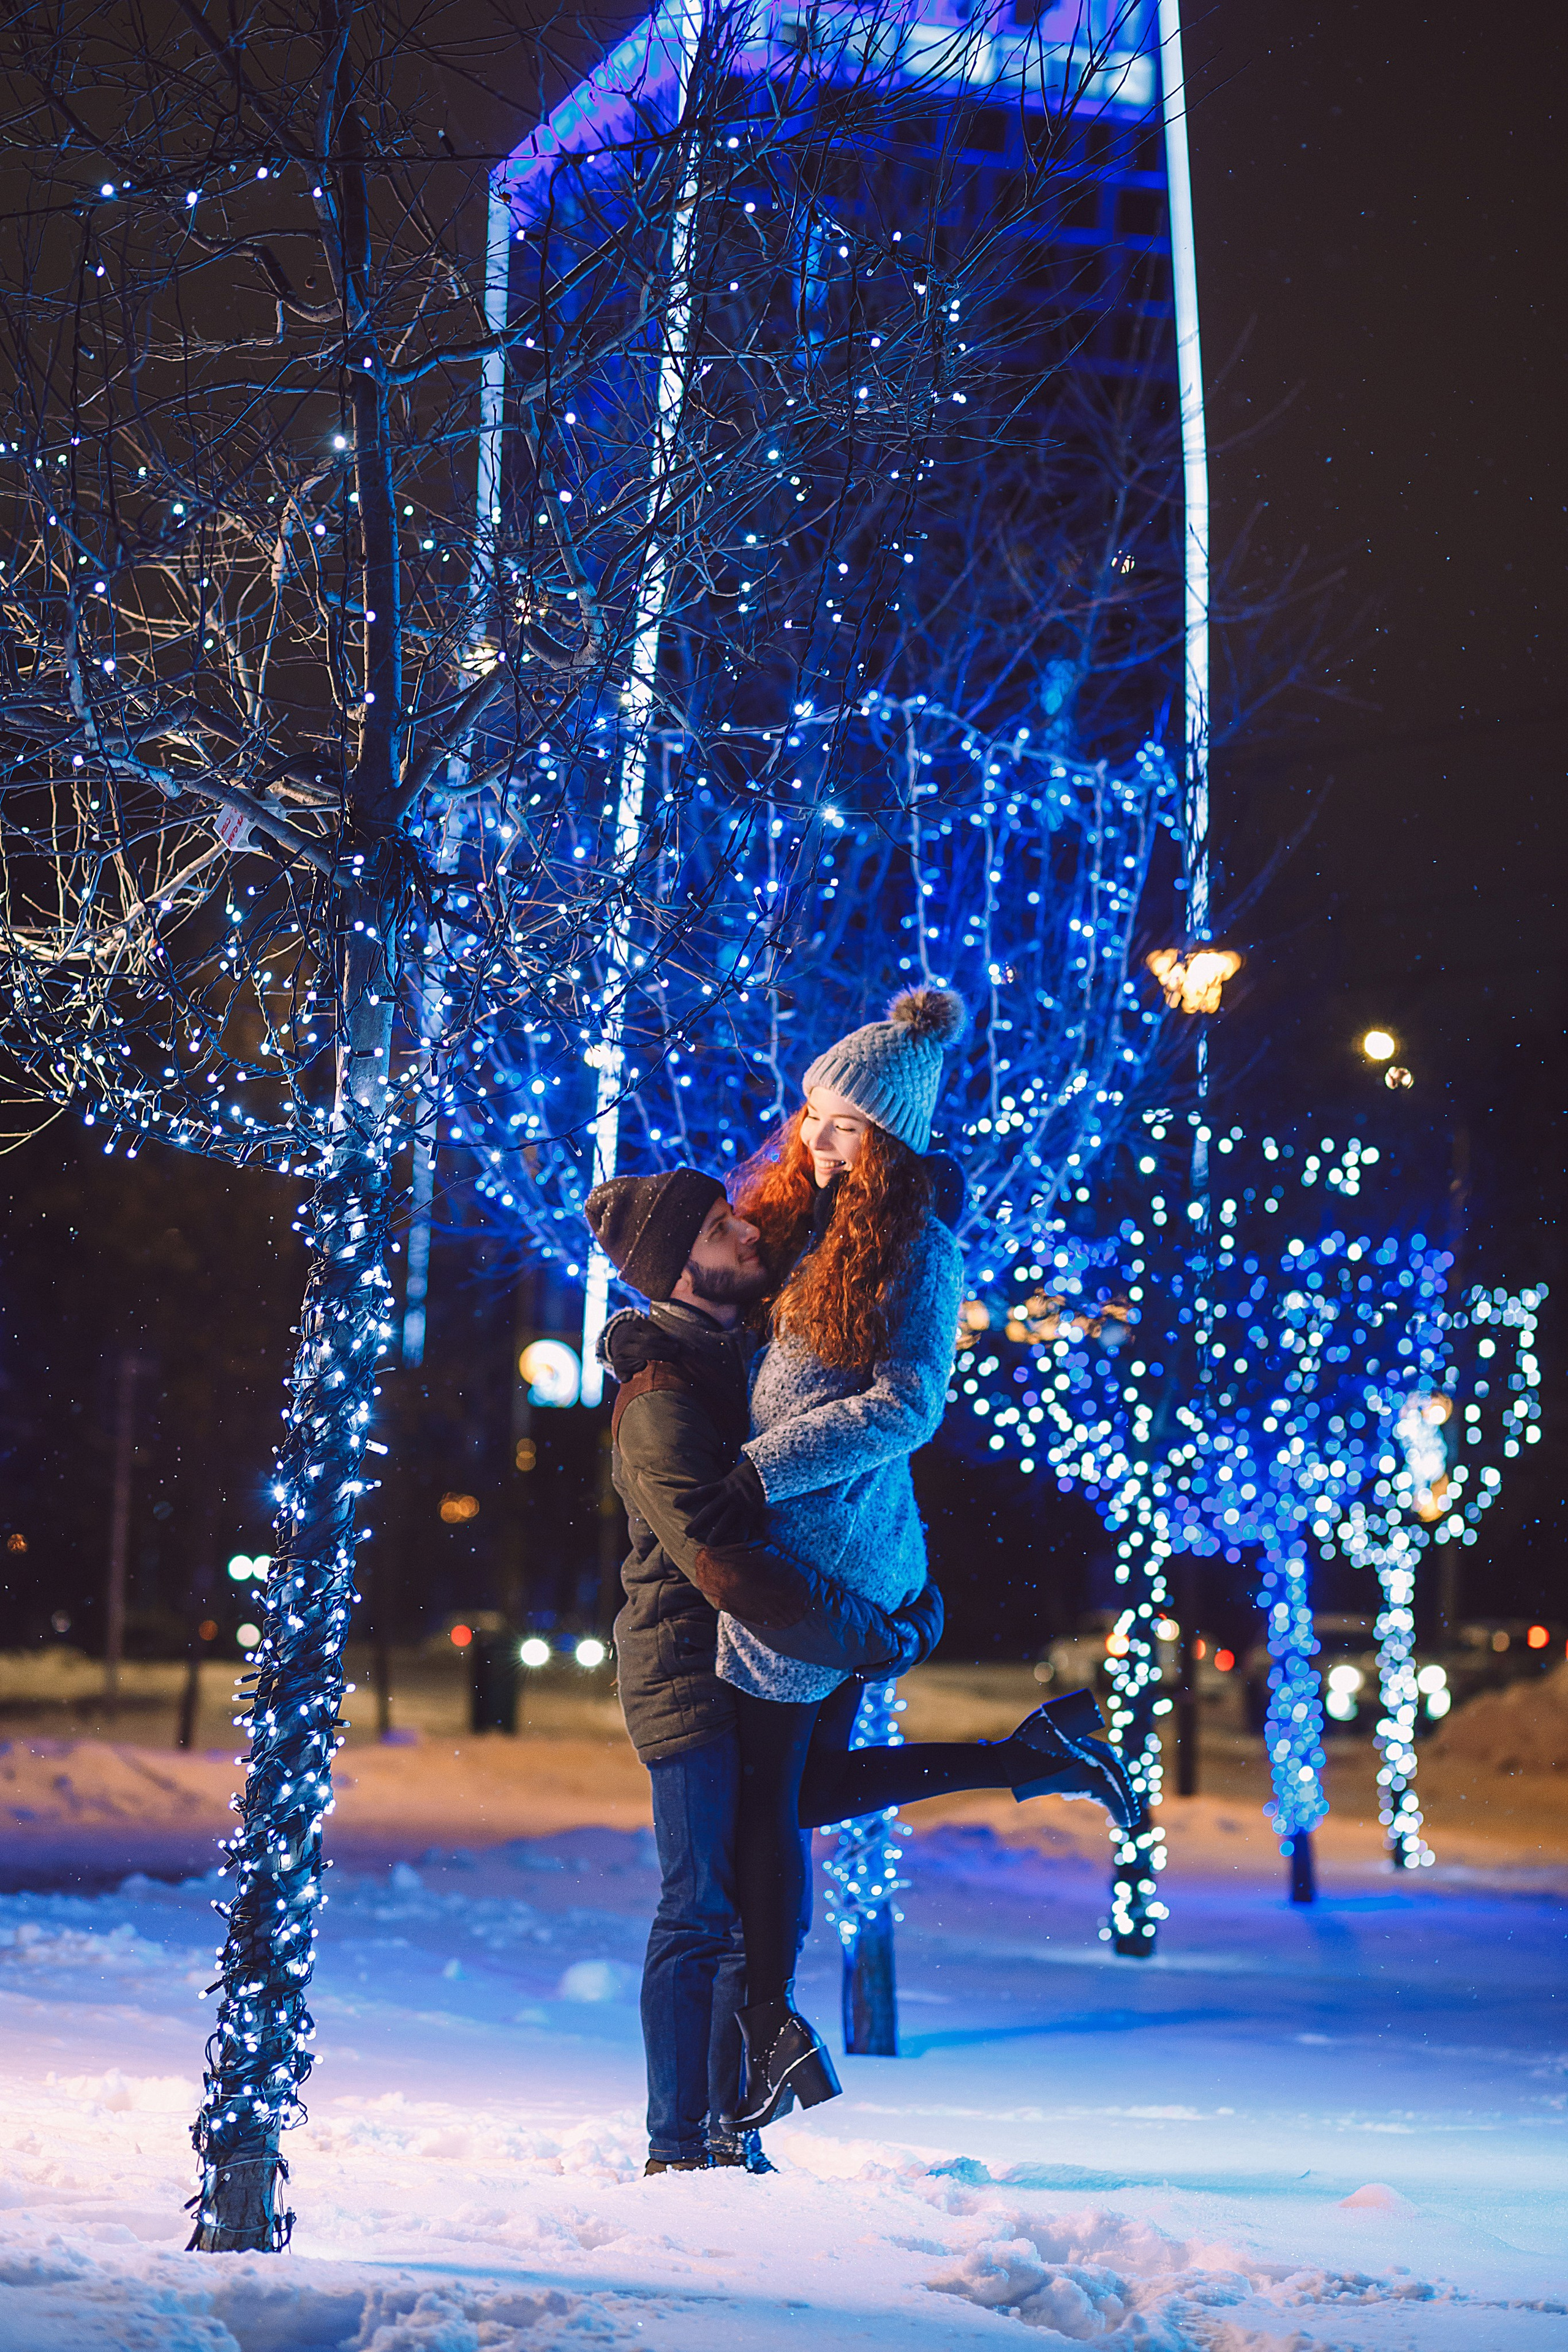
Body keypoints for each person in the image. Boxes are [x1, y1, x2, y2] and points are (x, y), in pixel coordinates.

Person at [682, 987, 1144, 2131]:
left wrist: (758, 1473)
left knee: (766, 1813)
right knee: (815, 1789)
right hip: (820, 1545)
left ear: (890, 1137)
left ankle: (769, 2036)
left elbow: (909, 1407)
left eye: (842, 1124)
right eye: (811, 1114)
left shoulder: (918, 1249)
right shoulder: (817, 1225)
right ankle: (1028, 1755)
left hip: (818, 1555)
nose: (814, 1137)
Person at [584, 1167, 945, 2176]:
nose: (744, 1232)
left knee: (743, 1900)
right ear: (680, 1269)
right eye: (716, 1227)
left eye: (730, 1213)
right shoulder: (661, 1399)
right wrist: (876, 1637)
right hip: (689, 1674)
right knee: (699, 1907)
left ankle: (724, 2134)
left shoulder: (730, 1357)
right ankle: (678, 2147)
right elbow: (726, 1565)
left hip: (740, 1663)